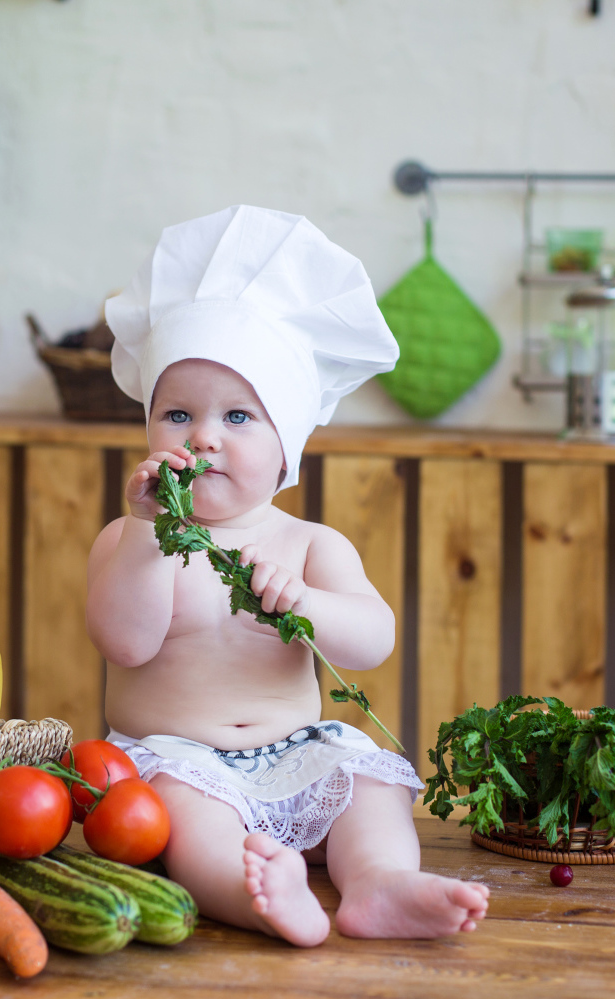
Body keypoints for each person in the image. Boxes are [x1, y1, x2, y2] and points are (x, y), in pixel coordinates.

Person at [86, 206, 490, 946]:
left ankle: (378, 885)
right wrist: (148, 532)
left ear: (286, 449)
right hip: (180, 758)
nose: (202, 435)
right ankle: (251, 893)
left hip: (297, 750)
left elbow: (373, 638)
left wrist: (306, 603)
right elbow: (125, 642)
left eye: (238, 417)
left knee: (369, 782)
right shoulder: (129, 535)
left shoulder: (310, 545)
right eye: (177, 413)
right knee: (186, 820)